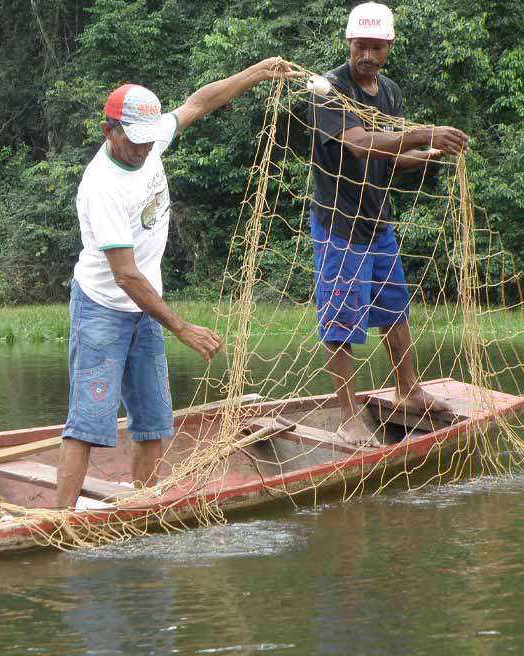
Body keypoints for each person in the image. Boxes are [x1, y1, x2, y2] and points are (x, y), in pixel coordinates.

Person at [57, 57, 302, 509]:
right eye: (134, 141)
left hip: (145, 310)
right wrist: (182, 327)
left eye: (150, 141)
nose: (144, 149)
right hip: (103, 309)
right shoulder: (103, 185)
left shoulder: (149, 138)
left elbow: (199, 102)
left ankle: (143, 505)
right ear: (108, 130)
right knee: (89, 421)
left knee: (153, 419)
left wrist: (256, 73)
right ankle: (61, 519)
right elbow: (125, 275)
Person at [309, 2, 470, 446]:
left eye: (375, 47)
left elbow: (391, 156)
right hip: (340, 225)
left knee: (395, 310)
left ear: (389, 47)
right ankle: (347, 414)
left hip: (378, 222)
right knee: (341, 322)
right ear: (348, 43)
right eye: (360, 46)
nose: (367, 55)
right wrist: (423, 134)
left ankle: (407, 389)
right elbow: (360, 144)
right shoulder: (329, 89)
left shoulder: (391, 93)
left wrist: (425, 156)